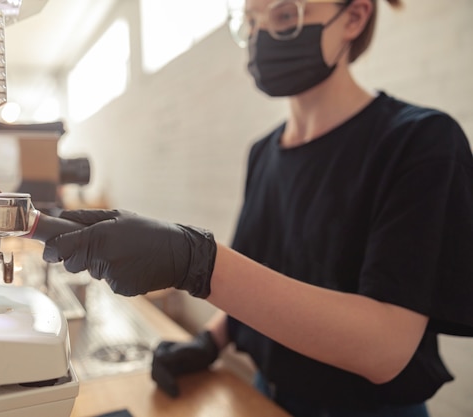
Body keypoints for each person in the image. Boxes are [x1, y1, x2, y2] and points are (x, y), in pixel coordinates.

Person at [43, 0, 473, 415]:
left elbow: (385, 349)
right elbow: (261, 274)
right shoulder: (264, 153)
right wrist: (211, 340)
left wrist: (196, 262)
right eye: (250, 22)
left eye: (285, 15)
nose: (261, 35)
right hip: (268, 394)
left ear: (355, 17)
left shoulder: (420, 142)